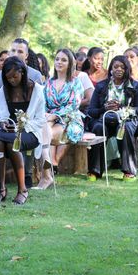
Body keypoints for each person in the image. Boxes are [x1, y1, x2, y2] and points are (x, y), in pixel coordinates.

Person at [0, 57, 45, 205]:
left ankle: (22, 189)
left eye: (15, 76)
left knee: (11, 141)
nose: (12, 80)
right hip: (8, 133)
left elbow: (40, 120)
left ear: (23, 73)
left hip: (30, 132)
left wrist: (21, 125)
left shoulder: (36, 90)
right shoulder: (2, 93)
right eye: (8, 77)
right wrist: (2, 123)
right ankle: (1, 189)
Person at [87, 55, 138, 179]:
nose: (119, 69)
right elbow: (91, 111)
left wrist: (122, 108)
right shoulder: (101, 86)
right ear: (111, 69)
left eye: (122, 67)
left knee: (127, 127)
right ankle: (95, 171)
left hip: (125, 120)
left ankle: (128, 171)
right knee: (98, 128)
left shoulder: (134, 86)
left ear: (127, 69)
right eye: (116, 67)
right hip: (105, 119)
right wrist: (104, 108)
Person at [43, 49, 84, 182]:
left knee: (48, 134)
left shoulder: (75, 82)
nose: (59, 62)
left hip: (69, 118)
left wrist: (54, 116)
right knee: (45, 131)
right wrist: (46, 115)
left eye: (63, 60)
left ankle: (51, 166)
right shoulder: (48, 82)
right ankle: (48, 170)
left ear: (70, 63)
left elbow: (73, 105)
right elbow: (43, 102)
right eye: (57, 59)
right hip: (49, 118)